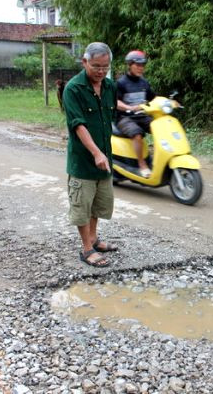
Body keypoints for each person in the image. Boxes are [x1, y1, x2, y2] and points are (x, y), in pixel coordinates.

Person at [62, 42, 118, 267]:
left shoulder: (110, 86)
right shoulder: (73, 89)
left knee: (97, 203)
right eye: (96, 66)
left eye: (105, 66)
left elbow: (111, 115)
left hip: (104, 158)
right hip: (84, 161)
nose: (101, 71)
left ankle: (94, 239)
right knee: (82, 206)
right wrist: (96, 153)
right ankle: (86, 249)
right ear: (84, 62)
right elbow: (78, 125)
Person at [116, 50, 156, 178]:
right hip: (124, 117)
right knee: (137, 134)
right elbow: (115, 102)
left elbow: (154, 98)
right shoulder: (121, 83)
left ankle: (158, 158)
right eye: (137, 65)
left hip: (142, 116)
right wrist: (129, 107)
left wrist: (168, 103)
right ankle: (142, 164)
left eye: (142, 65)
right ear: (130, 65)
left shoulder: (144, 82)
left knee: (160, 128)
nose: (140, 68)